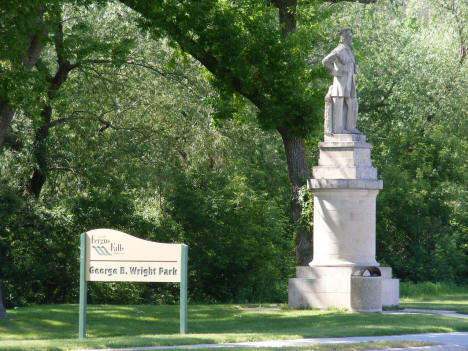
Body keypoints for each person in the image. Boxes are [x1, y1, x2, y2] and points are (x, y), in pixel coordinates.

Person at [322, 29, 360, 134]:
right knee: (339, 103)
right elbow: (325, 61)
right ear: (343, 38)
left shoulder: (349, 51)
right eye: (349, 37)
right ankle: (339, 129)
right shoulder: (339, 50)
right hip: (341, 83)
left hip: (350, 82)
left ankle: (350, 127)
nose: (351, 39)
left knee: (352, 103)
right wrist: (335, 71)